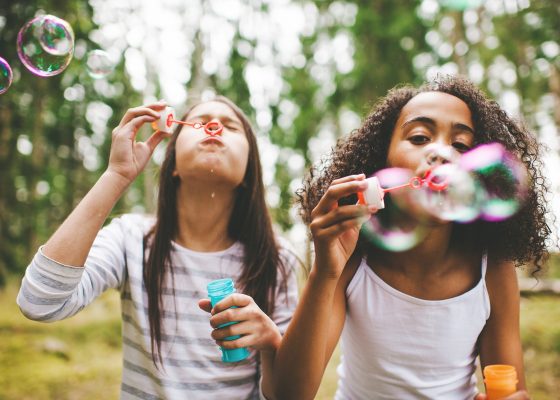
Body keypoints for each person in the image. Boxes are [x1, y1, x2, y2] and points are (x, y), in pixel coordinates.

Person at [271, 75, 549, 399]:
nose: (442, 153)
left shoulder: (491, 268)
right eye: (419, 137)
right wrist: (324, 273)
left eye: (460, 145)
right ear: (381, 159)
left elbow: (510, 388)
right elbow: (287, 393)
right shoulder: (354, 258)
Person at [17, 96, 299, 400]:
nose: (214, 127)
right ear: (173, 164)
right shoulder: (131, 239)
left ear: (248, 173)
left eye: (230, 126)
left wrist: (271, 342)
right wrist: (116, 176)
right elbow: (39, 302)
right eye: (200, 122)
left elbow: (289, 394)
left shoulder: (274, 259)